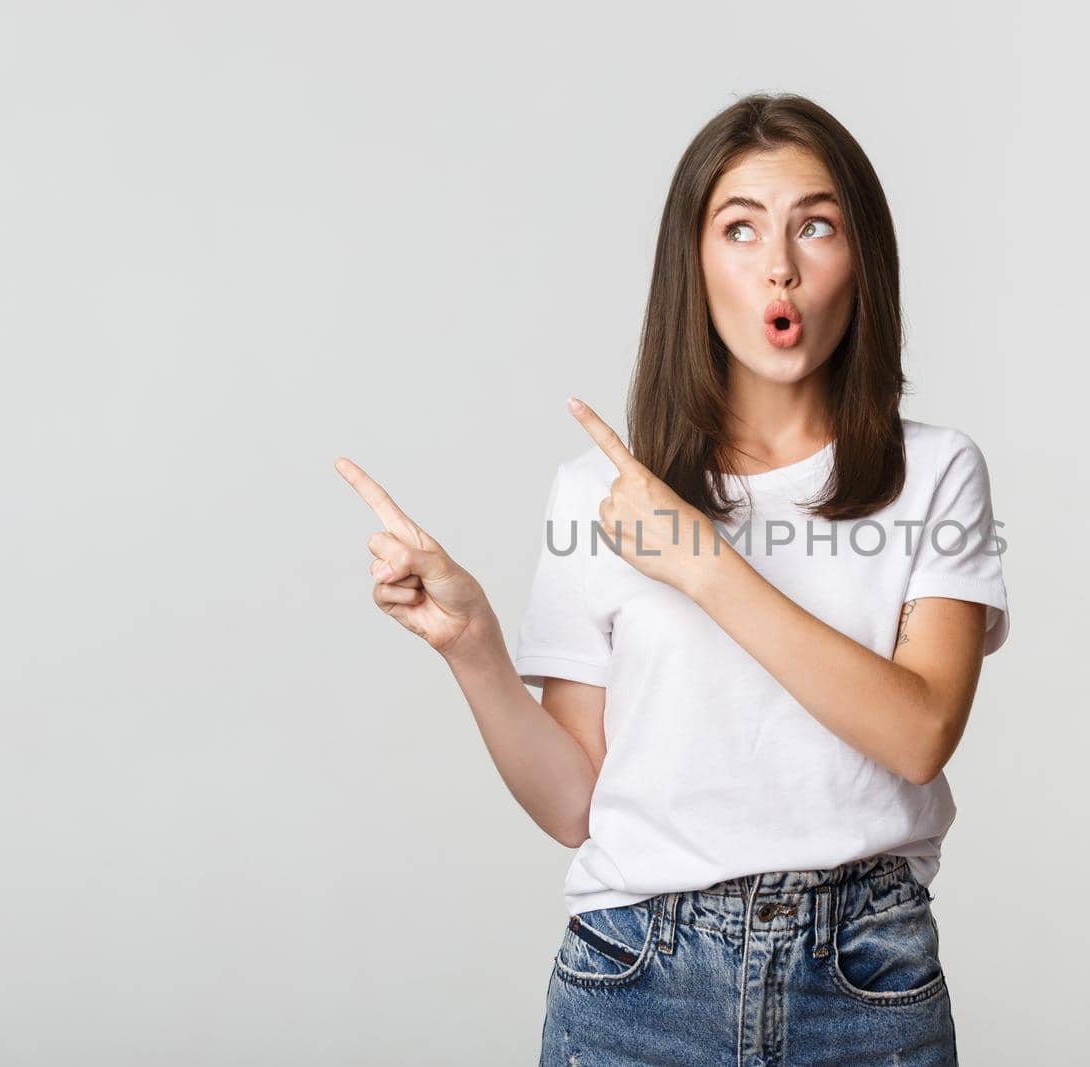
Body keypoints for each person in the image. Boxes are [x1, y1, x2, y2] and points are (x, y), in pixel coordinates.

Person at [338, 93, 1007, 1066]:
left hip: (863, 982)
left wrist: (702, 565)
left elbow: (917, 731)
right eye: (740, 227)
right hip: (639, 980)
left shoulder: (936, 472)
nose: (779, 263)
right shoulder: (599, 494)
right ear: (693, 264)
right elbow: (576, 802)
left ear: (861, 259)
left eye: (814, 224)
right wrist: (473, 646)